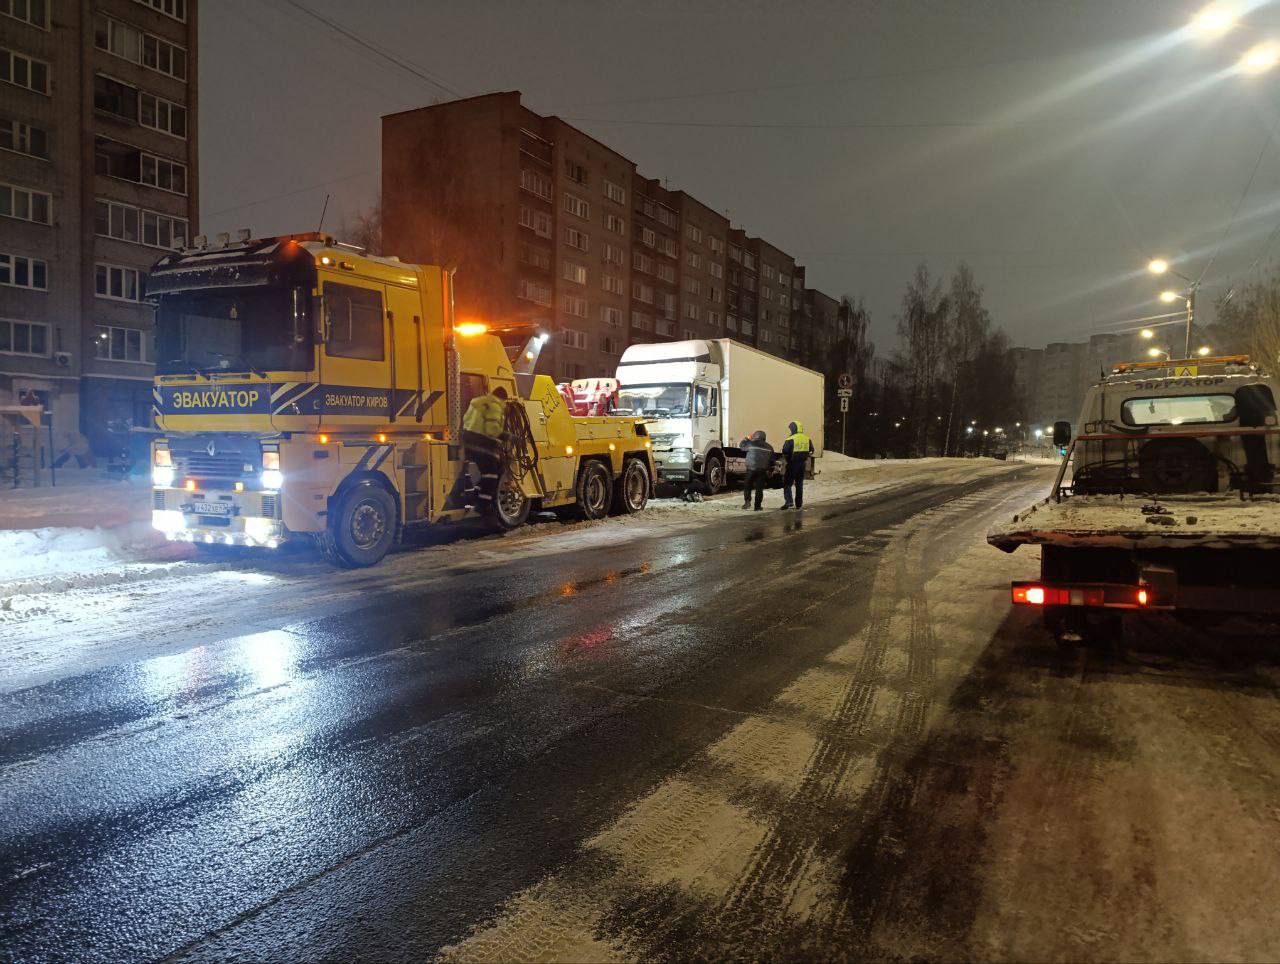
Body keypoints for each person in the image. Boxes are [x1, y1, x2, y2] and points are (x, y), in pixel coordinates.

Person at [461, 384, 510, 505]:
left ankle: (475, 494)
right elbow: (492, 430)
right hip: (482, 444)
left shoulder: (477, 402)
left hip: (468, 442)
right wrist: (507, 436)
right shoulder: (495, 406)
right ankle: (483, 504)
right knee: (493, 473)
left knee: (485, 472)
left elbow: (466, 420)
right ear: (502, 399)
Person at [781, 420, 811, 510]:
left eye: (790, 429)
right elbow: (811, 449)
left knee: (787, 483)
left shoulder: (790, 439)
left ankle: (789, 501)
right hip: (802, 464)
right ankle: (799, 504)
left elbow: (785, 451)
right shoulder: (807, 438)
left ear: (794, 429)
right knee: (799, 484)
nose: (790, 431)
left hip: (792, 463)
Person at [739, 430, 773, 511]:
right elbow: (772, 461)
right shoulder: (769, 447)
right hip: (762, 470)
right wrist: (770, 471)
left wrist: (746, 438)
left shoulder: (750, 444)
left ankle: (747, 502)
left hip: (751, 469)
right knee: (759, 489)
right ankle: (757, 506)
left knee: (747, 486)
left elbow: (741, 446)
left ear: (755, 436)